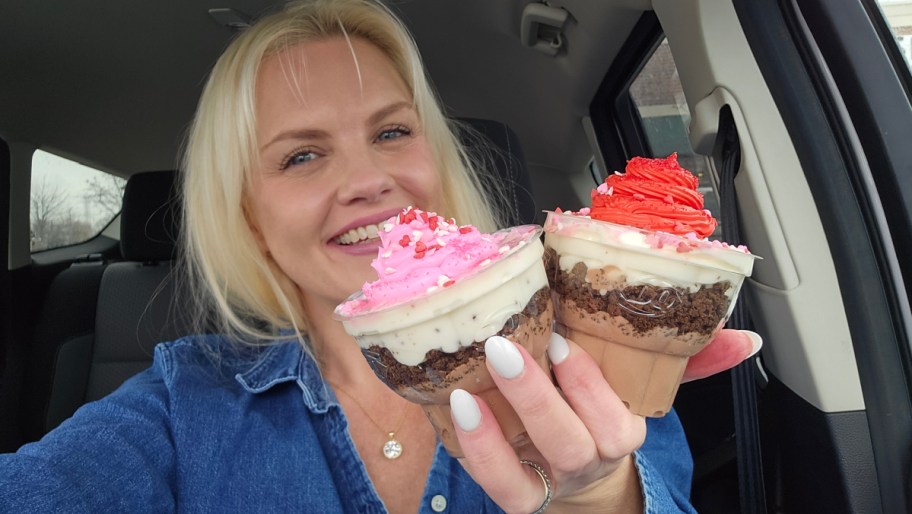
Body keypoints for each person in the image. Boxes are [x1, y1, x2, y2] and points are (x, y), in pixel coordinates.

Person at [0, 0, 762, 512]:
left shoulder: (582, 350)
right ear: (252, 221)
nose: (369, 181)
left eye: (393, 132)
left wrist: (596, 498)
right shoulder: (182, 403)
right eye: (301, 157)